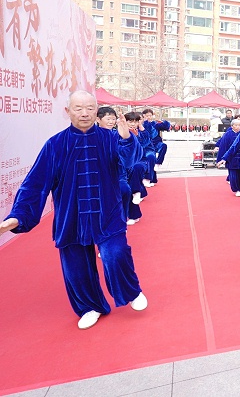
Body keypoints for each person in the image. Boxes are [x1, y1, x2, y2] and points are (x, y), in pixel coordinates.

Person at [0, 91, 147, 330]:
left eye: (90, 108)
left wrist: (127, 140)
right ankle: (90, 306)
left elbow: (130, 162)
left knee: (115, 253)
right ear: (67, 111)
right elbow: (35, 183)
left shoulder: (110, 139)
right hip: (71, 217)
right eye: (78, 108)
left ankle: (130, 291)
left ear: (96, 110)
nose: (85, 113)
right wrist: (18, 216)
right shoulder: (55, 145)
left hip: (107, 212)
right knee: (76, 267)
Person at [215, 118, 240, 197]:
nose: (238, 127)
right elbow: (223, 147)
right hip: (231, 158)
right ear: (232, 126)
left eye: (239, 125)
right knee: (233, 174)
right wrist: (221, 159)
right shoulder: (227, 134)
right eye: (236, 125)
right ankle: (237, 189)